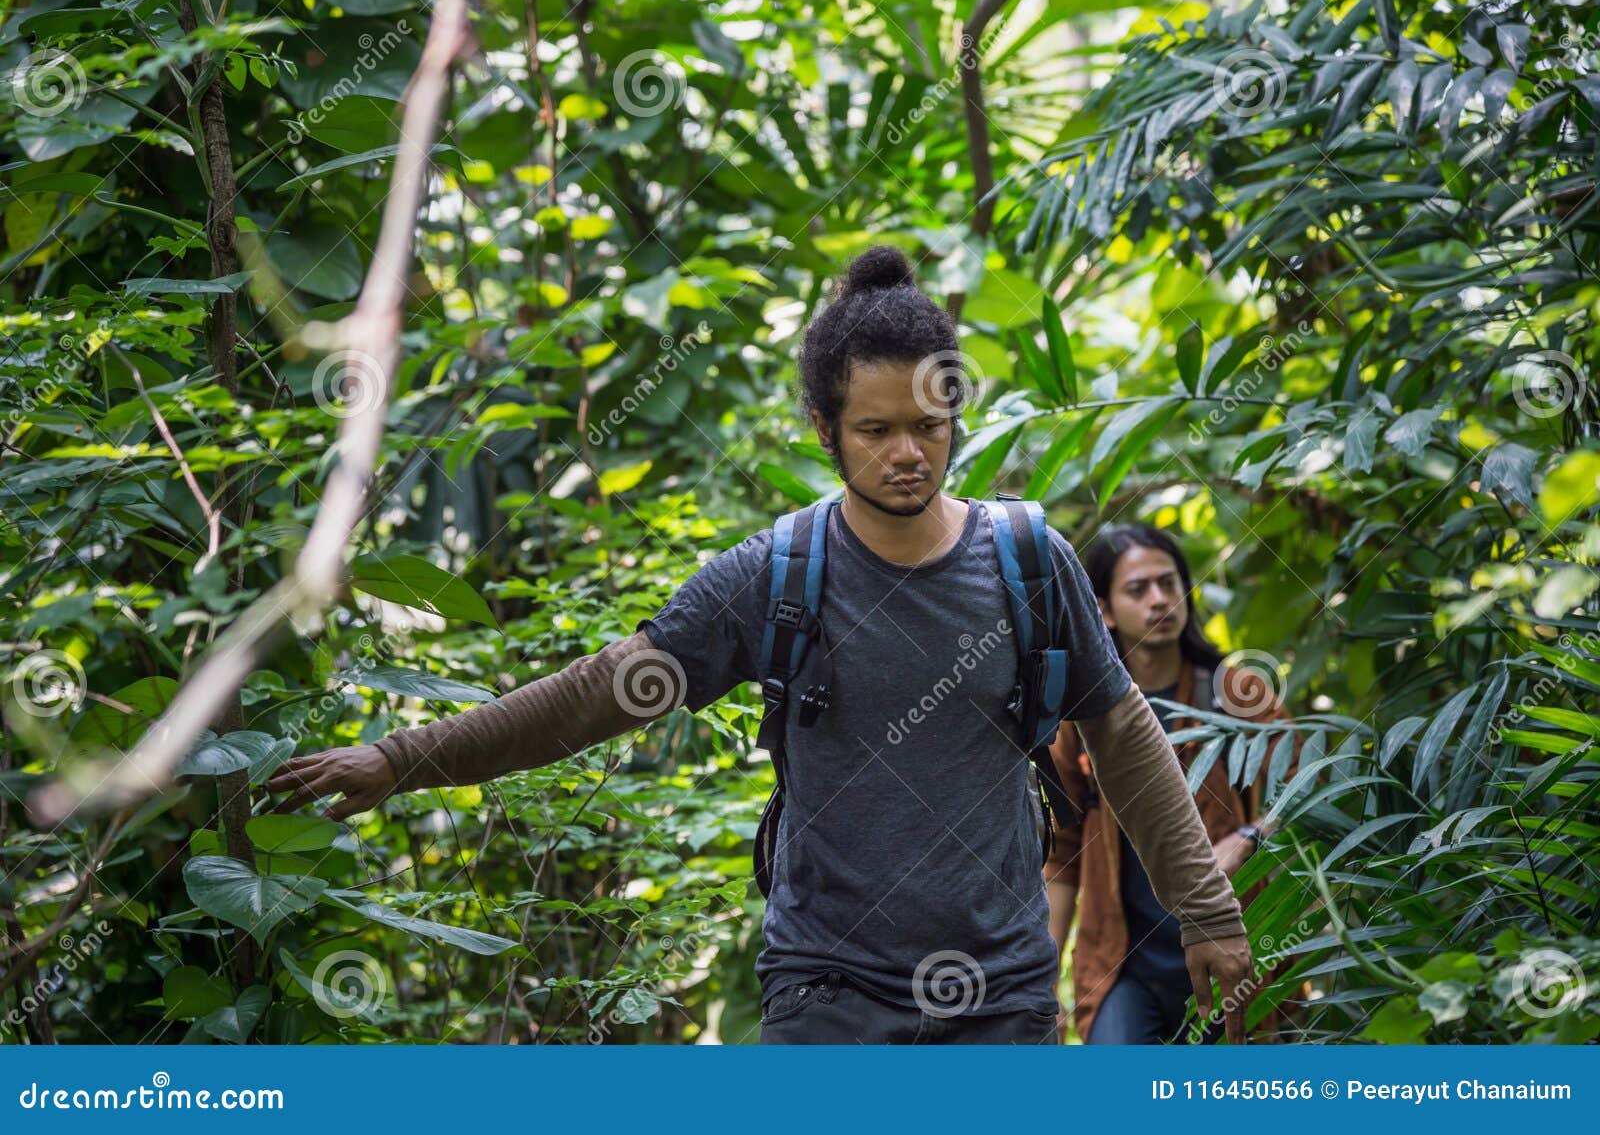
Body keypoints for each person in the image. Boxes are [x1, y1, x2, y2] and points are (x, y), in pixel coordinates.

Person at [266, 246, 1255, 1045]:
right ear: (825, 429)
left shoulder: (1028, 561)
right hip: (826, 988)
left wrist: (1206, 914)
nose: (908, 452)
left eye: (927, 424)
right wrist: (400, 760)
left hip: (997, 993)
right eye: (875, 430)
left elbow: (1123, 740)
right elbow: (596, 693)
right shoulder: (773, 577)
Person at [1043, 523, 1302, 1045]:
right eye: (1138, 590)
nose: (1160, 600)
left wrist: (1250, 837)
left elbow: (1302, 802)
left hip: (1231, 948)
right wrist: (1043, 982)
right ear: (1104, 610)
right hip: (1123, 962)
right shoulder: (1080, 714)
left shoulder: (1238, 693)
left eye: (1169, 583)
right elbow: (1062, 853)